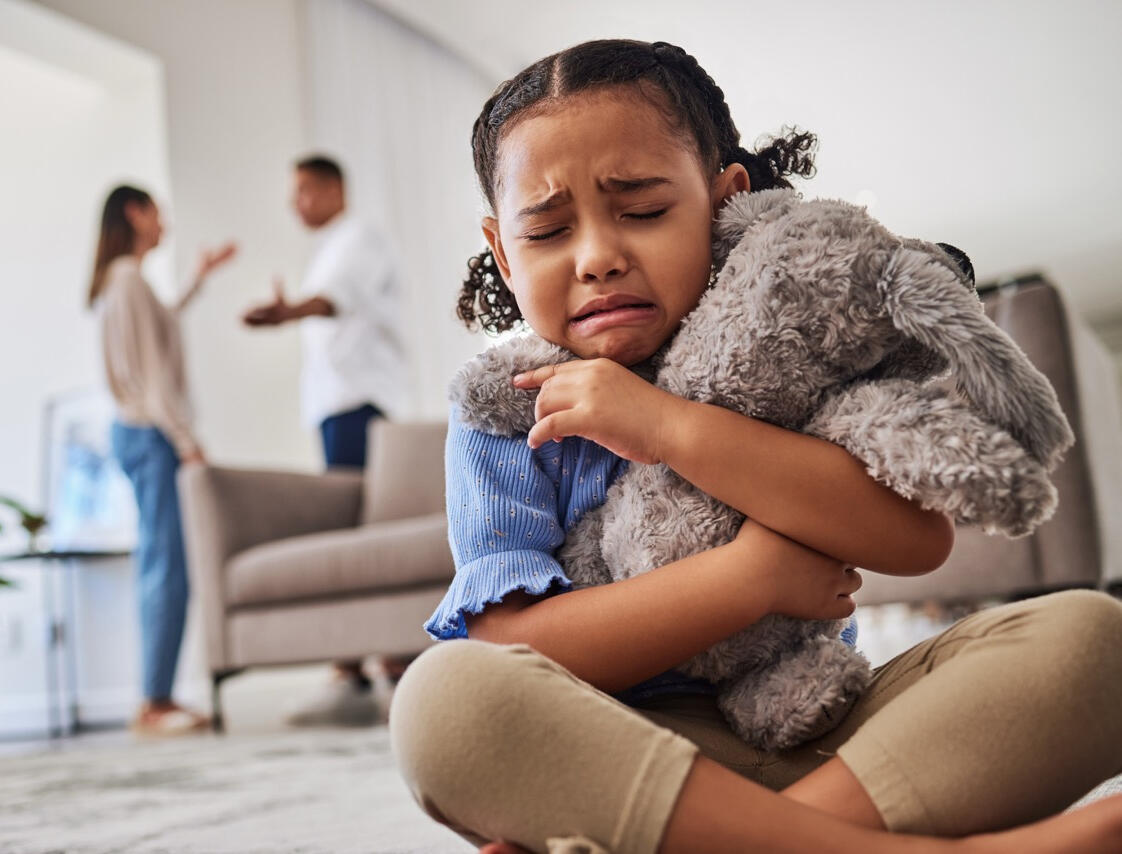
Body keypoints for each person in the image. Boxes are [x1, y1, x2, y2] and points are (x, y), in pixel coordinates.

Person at [388, 39, 1122, 853]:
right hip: (633, 756)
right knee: (445, 702)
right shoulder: (501, 413)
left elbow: (916, 542)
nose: (597, 258)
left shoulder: (790, 352)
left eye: (643, 211)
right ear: (503, 252)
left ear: (723, 200)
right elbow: (507, 646)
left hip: (833, 739)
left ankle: (751, 841)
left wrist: (668, 427)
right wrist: (750, 578)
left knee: (1092, 641)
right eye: (550, 231)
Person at [243, 155, 411, 726]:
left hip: (356, 403)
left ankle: (373, 659)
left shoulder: (357, 238)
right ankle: (359, 661)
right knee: (351, 524)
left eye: (304, 191)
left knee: (357, 526)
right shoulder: (329, 247)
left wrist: (289, 312)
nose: (295, 204)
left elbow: (334, 298)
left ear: (334, 188)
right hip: (337, 406)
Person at [89, 184, 236, 736]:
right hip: (150, 435)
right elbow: (152, 374)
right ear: (135, 213)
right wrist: (185, 440)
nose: (164, 222)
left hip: (139, 433)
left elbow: (161, 327)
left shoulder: (123, 281)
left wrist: (197, 278)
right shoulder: (128, 278)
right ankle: (154, 702)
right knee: (166, 566)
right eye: (157, 212)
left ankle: (158, 696)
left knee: (165, 561)